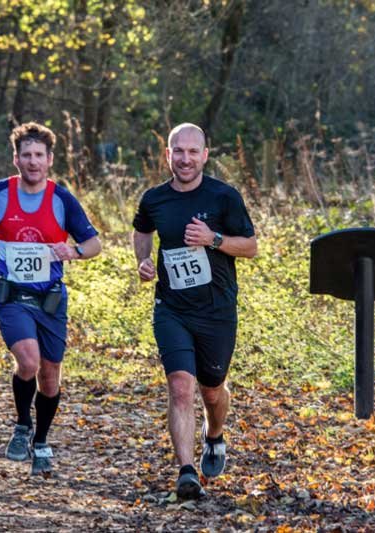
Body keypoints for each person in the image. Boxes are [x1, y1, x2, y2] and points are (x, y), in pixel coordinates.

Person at [0, 122, 101, 476]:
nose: (33, 161)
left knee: (50, 377)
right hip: (12, 296)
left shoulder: (62, 199)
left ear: (50, 159)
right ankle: (22, 425)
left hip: (50, 300)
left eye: (39, 155)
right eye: (26, 155)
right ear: (16, 159)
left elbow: (94, 244)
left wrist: (74, 252)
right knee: (28, 361)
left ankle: (41, 441)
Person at [131, 123, 257, 499]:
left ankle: (214, 434)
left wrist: (213, 239)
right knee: (180, 387)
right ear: (167, 155)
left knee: (212, 391)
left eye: (192, 152)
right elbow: (142, 230)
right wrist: (143, 260)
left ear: (204, 155)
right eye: (178, 151)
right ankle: (187, 472)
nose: (185, 159)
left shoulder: (224, 197)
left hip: (216, 311)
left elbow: (250, 247)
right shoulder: (154, 199)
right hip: (172, 308)